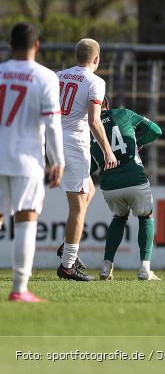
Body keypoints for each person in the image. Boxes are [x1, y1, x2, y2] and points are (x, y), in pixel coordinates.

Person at [0, 23, 65, 302]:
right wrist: (58, 160)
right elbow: (52, 123)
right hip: (26, 158)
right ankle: (19, 289)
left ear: (9, 45)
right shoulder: (45, 77)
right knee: (26, 217)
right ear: (36, 45)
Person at [55, 38, 118, 282]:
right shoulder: (96, 81)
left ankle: (66, 246)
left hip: (49, 140)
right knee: (78, 208)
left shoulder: (58, 75)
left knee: (88, 189)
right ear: (97, 59)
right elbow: (93, 120)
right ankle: (68, 264)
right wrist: (107, 150)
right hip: (73, 144)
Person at [90, 99, 163, 281]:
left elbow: (90, 165)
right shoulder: (123, 114)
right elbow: (156, 130)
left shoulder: (87, 127)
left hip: (109, 185)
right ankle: (145, 268)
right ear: (106, 104)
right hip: (134, 179)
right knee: (146, 217)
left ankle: (106, 267)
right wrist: (138, 143)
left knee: (119, 218)